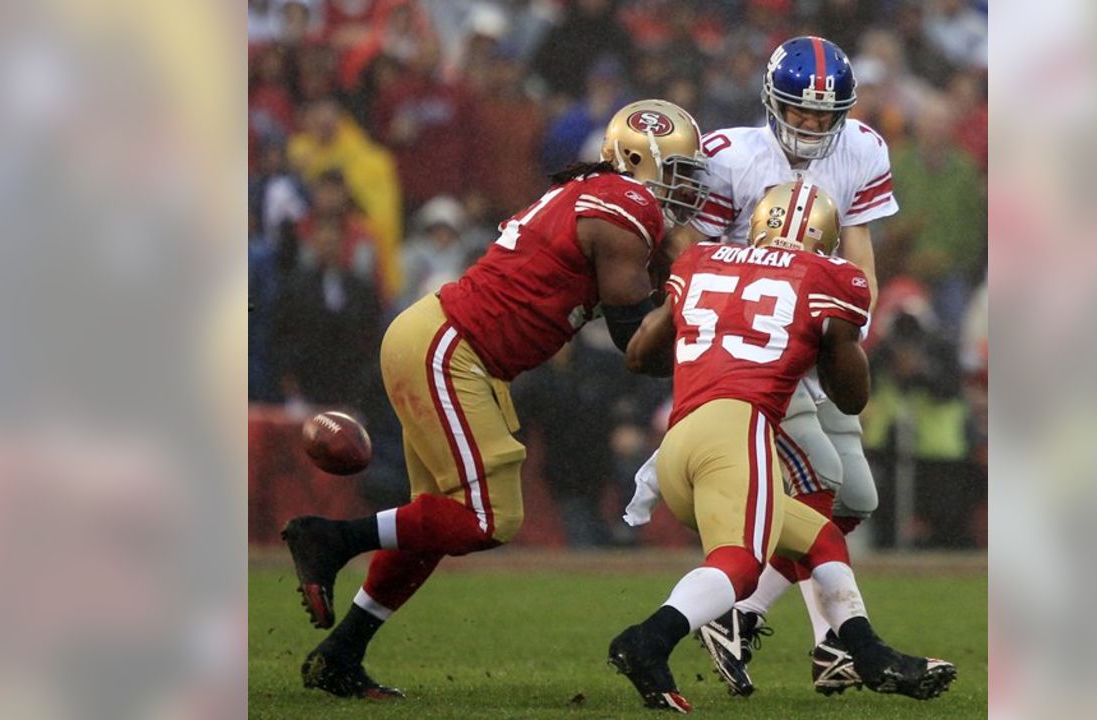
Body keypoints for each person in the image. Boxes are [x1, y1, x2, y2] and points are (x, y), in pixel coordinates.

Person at [280, 99, 709, 699]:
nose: (686, 189)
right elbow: (632, 342)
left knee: (431, 524)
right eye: (680, 171)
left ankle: (341, 653)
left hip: (452, 347)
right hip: (452, 348)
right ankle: (331, 538)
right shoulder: (627, 203)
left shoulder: (597, 193)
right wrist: (695, 309)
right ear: (641, 162)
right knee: (488, 517)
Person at [612, 180, 954, 712]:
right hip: (737, 431)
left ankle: (868, 653)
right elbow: (850, 398)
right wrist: (826, 341)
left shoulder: (702, 259)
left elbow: (640, 358)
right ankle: (646, 641)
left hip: (680, 438)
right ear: (827, 241)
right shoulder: (829, 276)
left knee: (819, 536)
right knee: (740, 565)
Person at [660, 35, 903, 696]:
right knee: (820, 481)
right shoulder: (731, 156)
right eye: (801, 111)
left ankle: (741, 613)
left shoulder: (864, 148)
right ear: (772, 103)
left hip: (815, 342)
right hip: (751, 353)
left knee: (855, 497)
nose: (813, 125)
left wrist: (845, 332)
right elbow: (695, 259)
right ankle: (836, 643)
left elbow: (859, 249)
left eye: (826, 114)